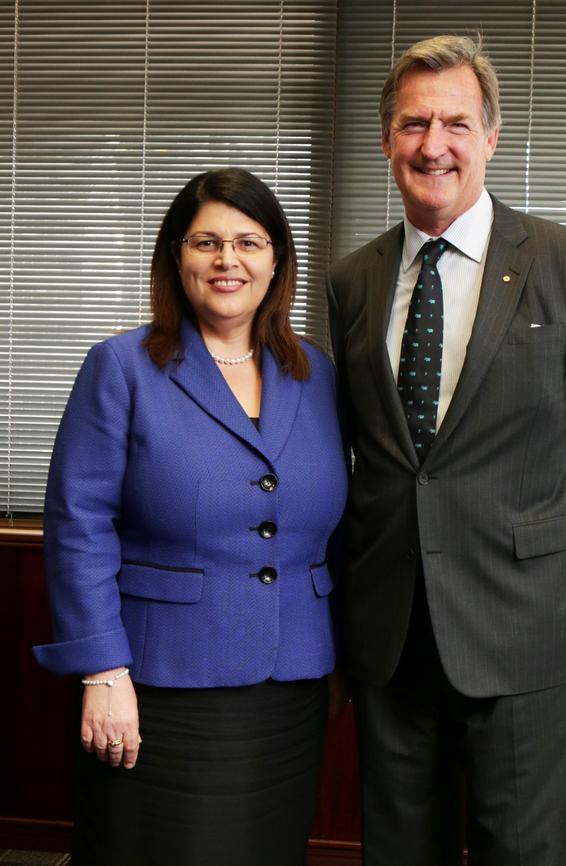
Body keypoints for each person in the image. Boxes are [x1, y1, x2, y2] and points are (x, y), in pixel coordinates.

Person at [327, 34, 566, 866]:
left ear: (492, 137)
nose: (434, 145)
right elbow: (355, 448)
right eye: (413, 124)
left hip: (526, 628)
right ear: (386, 139)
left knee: (525, 853)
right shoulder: (352, 281)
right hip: (392, 635)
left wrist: (540, 549)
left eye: (456, 123)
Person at [33, 167, 348, 866]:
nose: (227, 260)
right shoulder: (121, 365)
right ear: (176, 256)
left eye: (248, 241)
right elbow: (78, 520)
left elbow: (334, 526)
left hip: (293, 689)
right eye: (206, 241)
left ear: (278, 261)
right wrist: (102, 670)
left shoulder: (317, 375)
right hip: (158, 683)